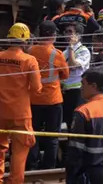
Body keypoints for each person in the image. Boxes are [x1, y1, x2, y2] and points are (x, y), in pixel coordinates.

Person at [0, 23, 42, 183]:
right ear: (25, 40)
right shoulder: (29, 60)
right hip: (20, 114)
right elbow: (37, 88)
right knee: (19, 152)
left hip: (0, 112)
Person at [27, 21, 69, 170]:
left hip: (33, 99)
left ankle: (31, 165)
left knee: (33, 135)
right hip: (53, 100)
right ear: (53, 35)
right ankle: (49, 166)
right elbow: (65, 74)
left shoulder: (29, 51)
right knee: (52, 137)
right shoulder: (55, 54)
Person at [60, 21, 92, 129]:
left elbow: (73, 65)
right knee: (65, 121)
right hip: (64, 90)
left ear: (78, 35)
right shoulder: (65, 52)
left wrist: (71, 47)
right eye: (66, 32)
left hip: (77, 90)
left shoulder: (84, 51)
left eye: (70, 32)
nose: (67, 34)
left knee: (74, 122)